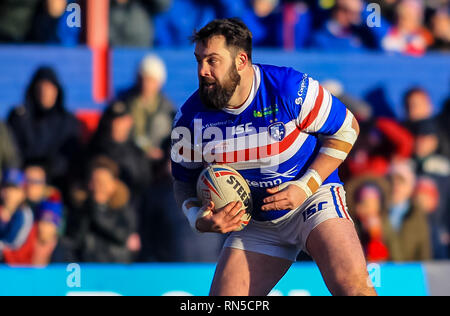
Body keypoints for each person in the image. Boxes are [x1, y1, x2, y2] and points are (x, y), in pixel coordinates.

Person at [171, 18, 375, 296]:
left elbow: (347, 129)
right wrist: (197, 218)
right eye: (198, 60)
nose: (202, 71)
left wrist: (306, 187)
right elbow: (182, 179)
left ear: (241, 60)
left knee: (353, 288)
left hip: (312, 201)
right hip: (256, 221)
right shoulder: (190, 118)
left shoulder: (288, 87)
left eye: (212, 60)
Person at [7, 66, 82, 190]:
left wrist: (44, 172)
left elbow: (69, 158)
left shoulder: (68, 121)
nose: (45, 93)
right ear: (33, 90)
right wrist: (27, 172)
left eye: (49, 88)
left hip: (55, 183)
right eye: (41, 88)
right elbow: (12, 153)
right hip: (21, 183)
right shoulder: (19, 117)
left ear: (57, 91)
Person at [64, 156, 138, 263]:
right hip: (87, 267)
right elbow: (75, 239)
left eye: (103, 182)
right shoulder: (80, 208)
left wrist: (98, 208)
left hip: (115, 267)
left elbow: (122, 235)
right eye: (96, 182)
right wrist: (91, 207)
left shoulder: (123, 209)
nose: (99, 187)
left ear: (113, 184)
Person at [118, 54, 175, 161]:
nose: (146, 84)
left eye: (150, 80)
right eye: (143, 78)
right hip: (129, 159)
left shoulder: (168, 109)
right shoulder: (122, 105)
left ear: (159, 82)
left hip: (159, 161)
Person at [383, 161, 432, 261]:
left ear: (410, 187)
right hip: (380, 271)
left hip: (411, 272)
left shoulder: (417, 214)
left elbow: (424, 250)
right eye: (391, 181)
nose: (395, 186)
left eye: (401, 181)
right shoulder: (377, 212)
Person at [23, 161, 63, 265]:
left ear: (44, 184)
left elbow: (47, 234)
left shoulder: (52, 202)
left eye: (35, 181)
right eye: (27, 180)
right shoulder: (16, 204)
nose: (30, 185)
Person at [0, 169, 35, 264]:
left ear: (23, 193)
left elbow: (15, 244)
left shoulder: (25, 214)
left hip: (19, 271)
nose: (9, 193)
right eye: (6, 187)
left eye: (15, 189)